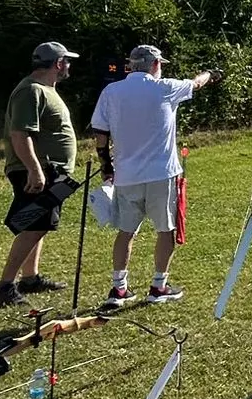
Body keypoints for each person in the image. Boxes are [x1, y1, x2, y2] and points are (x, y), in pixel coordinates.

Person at [89, 45, 218, 312]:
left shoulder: (111, 92)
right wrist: (211, 74)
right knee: (165, 229)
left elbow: (101, 134)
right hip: (162, 174)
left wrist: (106, 166)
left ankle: (119, 287)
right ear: (155, 64)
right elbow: (196, 84)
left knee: (126, 231)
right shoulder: (164, 88)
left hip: (126, 175)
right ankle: (159, 286)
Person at [0, 41, 79, 308]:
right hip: (38, 171)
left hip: (50, 170)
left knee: (39, 226)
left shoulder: (43, 89)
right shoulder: (31, 91)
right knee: (35, 225)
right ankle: (4, 286)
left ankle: (30, 277)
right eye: (67, 61)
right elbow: (20, 134)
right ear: (58, 63)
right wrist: (35, 170)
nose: (69, 66)